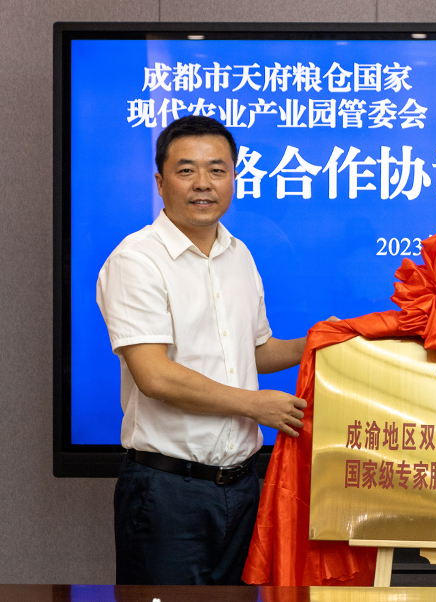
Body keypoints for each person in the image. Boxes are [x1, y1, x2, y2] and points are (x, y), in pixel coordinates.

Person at [97, 116, 314, 585]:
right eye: (186, 170)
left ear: (234, 177)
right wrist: (254, 405)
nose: (203, 183)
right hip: (167, 493)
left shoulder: (239, 255)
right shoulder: (136, 260)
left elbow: (255, 352)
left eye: (217, 170)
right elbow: (154, 376)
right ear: (160, 182)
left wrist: (321, 342)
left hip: (242, 487)